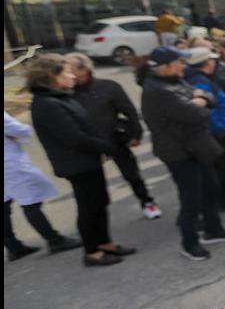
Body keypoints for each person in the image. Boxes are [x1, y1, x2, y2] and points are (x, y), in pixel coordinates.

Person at [26, 54, 135, 267]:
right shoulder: (46, 103)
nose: (72, 76)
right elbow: (75, 138)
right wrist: (109, 147)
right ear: (52, 76)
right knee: (88, 206)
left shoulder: (59, 96)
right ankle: (92, 251)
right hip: (76, 163)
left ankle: (105, 243)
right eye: (67, 72)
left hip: (87, 160)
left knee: (99, 202)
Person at [141, 46, 225, 261]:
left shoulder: (174, 81)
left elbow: (208, 98)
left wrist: (200, 99)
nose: (183, 66)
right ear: (165, 66)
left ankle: (213, 229)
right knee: (191, 199)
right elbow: (195, 112)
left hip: (196, 147)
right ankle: (190, 243)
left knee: (211, 188)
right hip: (180, 152)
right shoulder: (157, 90)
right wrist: (199, 101)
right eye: (179, 62)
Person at [64, 53, 161, 219]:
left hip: (114, 139)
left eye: (70, 69)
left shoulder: (109, 86)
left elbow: (130, 112)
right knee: (93, 185)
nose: (67, 73)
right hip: (88, 145)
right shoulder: (65, 94)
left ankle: (147, 202)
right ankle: (97, 218)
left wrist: (135, 134)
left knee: (132, 175)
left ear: (84, 69)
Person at [4, 111, 81, 261]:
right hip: (10, 163)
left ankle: (13, 247)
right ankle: (54, 240)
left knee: (5, 204)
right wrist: (21, 130)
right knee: (30, 201)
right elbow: (18, 129)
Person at [184, 48, 225, 213]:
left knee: (224, 167)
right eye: (212, 60)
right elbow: (207, 110)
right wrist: (221, 127)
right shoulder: (200, 81)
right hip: (218, 132)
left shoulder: (201, 78)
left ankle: (224, 199)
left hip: (220, 128)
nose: (214, 62)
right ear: (205, 63)